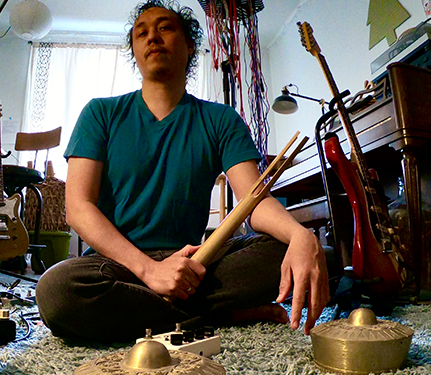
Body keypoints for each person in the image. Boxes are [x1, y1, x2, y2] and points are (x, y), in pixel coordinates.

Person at [35, 0, 329, 343]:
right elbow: (78, 209)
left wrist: (300, 236)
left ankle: (161, 311)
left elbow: (255, 203)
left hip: (194, 264)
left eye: (165, 28)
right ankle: (225, 314)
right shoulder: (100, 113)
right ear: (134, 49)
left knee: (292, 253)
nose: (152, 37)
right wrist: (150, 271)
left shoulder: (220, 120)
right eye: (141, 32)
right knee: (57, 291)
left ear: (190, 45)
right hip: (120, 266)